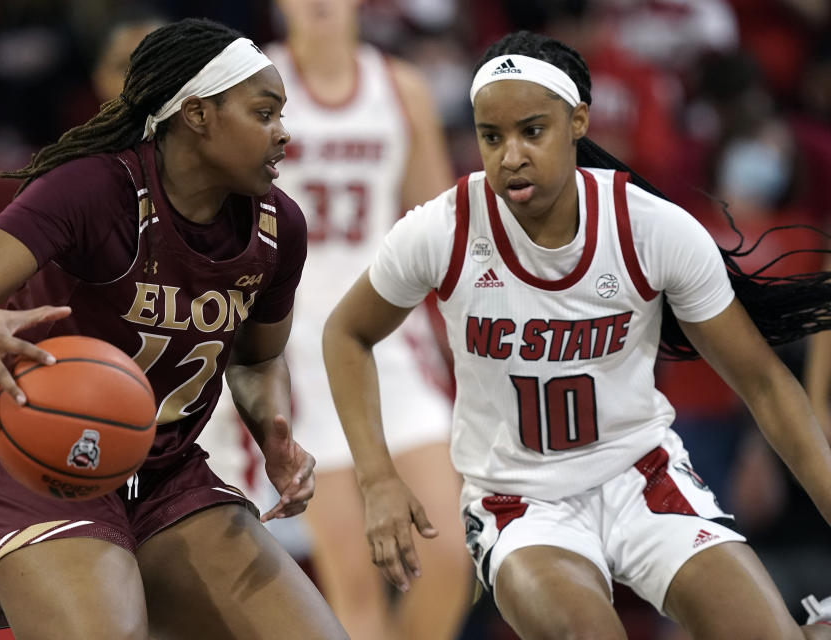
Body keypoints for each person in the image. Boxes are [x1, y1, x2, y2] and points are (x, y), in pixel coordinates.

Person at [322, 29, 831, 639]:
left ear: (578, 122)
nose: (510, 155)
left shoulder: (652, 229)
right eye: (491, 136)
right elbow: (345, 333)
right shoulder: (443, 229)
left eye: (531, 131)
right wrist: (377, 479)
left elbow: (766, 384)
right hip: (519, 502)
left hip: (643, 475)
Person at [0, 17, 348, 640]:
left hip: (165, 469)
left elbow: (255, 361)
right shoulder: (93, 188)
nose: (283, 133)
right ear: (198, 114)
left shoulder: (279, 226)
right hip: (37, 457)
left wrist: (272, 432)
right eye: (264, 113)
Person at [197, 1, 471, 638]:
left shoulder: (399, 87)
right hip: (290, 343)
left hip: (389, 338)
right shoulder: (242, 83)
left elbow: (440, 229)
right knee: (353, 577)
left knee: (450, 555)